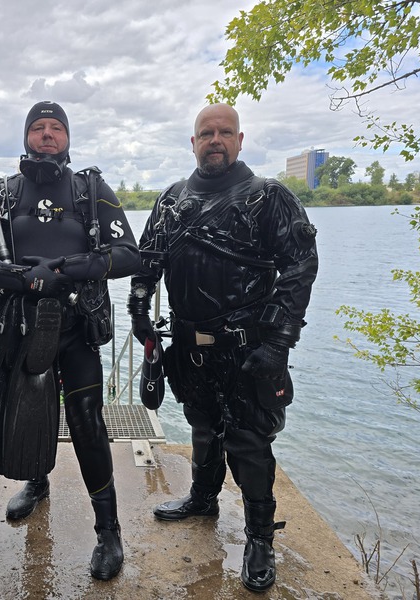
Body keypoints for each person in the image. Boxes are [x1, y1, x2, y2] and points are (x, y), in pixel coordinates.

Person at [128, 103, 318, 592]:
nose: (215, 140)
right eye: (206, 133)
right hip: (190, 345)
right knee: (202, 424)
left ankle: (260, 538)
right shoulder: (170, 200)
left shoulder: (268, 197)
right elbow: (147, 262)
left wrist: (279, 343)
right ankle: (202, 498)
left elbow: (300, 266)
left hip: (248, 348)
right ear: (193, 143)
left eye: (225, 132)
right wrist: (139, 313)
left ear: (239, 140)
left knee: (249, 442)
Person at [0, 101, 141, 580]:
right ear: (26, 137)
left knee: (86, 421)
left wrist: (73, 268)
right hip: (22, 324)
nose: (47, 134)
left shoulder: (90, 190)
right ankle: (37, 483)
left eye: (56, 127)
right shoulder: (0, 193)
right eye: (38, 127)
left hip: (76, 326)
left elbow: (129, 253)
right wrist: (17, 277)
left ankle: (108, 530)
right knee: (30, 411)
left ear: (67, 138)